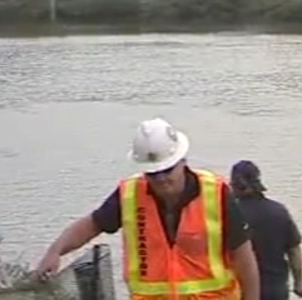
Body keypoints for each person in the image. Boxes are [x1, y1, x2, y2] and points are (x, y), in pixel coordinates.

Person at [33, 118, 260, 300]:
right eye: (153, 173)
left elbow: (244, 258)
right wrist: (56, 250)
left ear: (182, 161)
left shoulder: (215, 193)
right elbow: (93, 224)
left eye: (167, 170)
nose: (161, 179)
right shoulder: (130, 194)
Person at [230, 161, 302, 300]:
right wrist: (298, 283)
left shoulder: (230, 214)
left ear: (234, 184)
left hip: (242, 290)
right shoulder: (279, 211)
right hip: (276, 290)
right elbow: (294, 251)